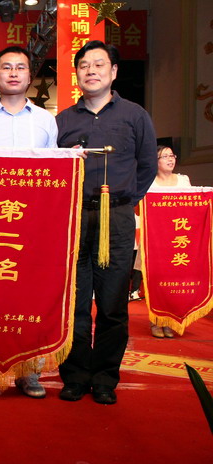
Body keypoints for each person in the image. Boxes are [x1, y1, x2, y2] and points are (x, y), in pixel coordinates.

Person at [56, 40, 157, 404]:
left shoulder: (135, 115)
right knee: (75, 302)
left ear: (113, 71)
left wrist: (123, 200)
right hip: (74, 217)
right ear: (76, 74)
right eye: (84, 65)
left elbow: (147, 166)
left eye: (99, 64)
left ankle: (104, 378)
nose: (91, 71)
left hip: (116, 217)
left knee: (113, 303)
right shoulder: (63, 120)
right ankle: (75, 374)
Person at [0, 46, 58, 399]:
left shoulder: (46, 120)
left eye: (20, 67)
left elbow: (57, 173)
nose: (14, 73)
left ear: (30, 76)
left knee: (32, 294)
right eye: (6, 67)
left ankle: (30, 371)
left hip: (34, 225)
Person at [148, 145, 191, 338]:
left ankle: (172, 320)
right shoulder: (150, 182)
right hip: (157, 240)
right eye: (165, 156)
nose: (170, 159)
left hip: (178, 238)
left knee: (177, 279)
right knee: (157, 281)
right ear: (155, 161)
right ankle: (156, 320)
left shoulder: (183, 180)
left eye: (172, 155)